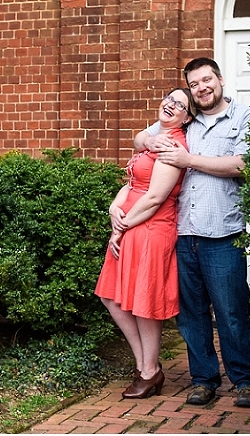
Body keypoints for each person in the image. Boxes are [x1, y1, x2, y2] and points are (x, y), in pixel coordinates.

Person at [134, 57, 250, 408]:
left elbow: (243, 165)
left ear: (219, 79)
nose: (202, 88)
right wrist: (149, 140)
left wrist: (188, 161)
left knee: (231, 311)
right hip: (182, 232)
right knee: (191, 314)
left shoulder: (243, 116)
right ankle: (203, 379)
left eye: (207, 80)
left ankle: (245, 380)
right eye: (194, 84)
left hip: (221, 232)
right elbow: (142, 137)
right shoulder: (185, 118)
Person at [95, 88, 193, 399]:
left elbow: (154, 198)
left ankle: (149, 371)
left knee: (143, 303)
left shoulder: (174, 145)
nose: (171, 105)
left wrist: (121, 228)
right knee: (111, 296)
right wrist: (114, 205)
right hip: (132, 224)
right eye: (170, 99)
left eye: (180, 105)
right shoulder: (153, 137)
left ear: (187, 117)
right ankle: (145, 365)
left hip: (150, 229)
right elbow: (133, 182)